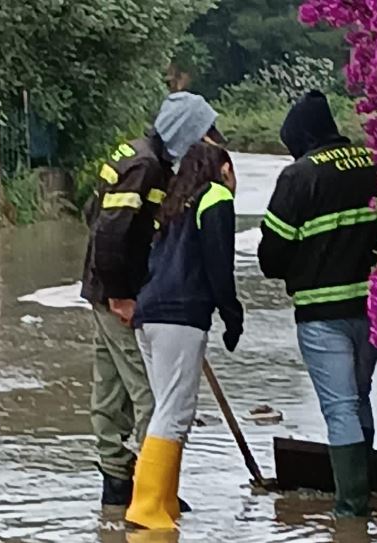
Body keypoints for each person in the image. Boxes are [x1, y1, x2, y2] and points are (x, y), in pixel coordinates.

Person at [81, 92, 224, 506]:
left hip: (103, 290)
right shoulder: (146, 167)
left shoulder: (142, 157)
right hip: (118, 297)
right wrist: (124, 296)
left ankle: (116, 485)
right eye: (205, 133)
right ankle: (152, 492)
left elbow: (93, 214)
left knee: (109, 390)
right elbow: (108, 231)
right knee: (151, 393)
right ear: (187, 134)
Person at [257, 90, 377, 517]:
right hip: (374, 307)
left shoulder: (299, 176)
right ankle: (371, 486)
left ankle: (351, 508)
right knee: (361, 395)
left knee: (340, 406)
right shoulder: (373, 164)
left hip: (321, 312)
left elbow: (271, 254)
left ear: (303, 138)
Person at [125, 142, 243, 530]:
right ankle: (144, 510)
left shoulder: (177, 201)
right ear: (224, 168)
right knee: (175, 413)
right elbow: (219, 264)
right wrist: (232, 315)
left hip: (150, 314)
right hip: (181, 316)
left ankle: (165, 503)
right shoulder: (217, 197)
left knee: (167, 409)